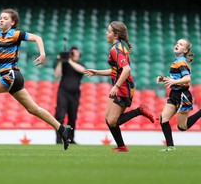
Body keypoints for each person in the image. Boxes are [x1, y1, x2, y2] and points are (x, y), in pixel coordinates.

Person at [0, 8, 72, 150]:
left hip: (11, 75)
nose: (1, 20)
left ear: (12, 22)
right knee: (33, 109)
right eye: (0, 18)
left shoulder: (16, 34)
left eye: (5, 18)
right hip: (14, 77)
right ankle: (62, 128)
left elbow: (37, 38)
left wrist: (42, 54)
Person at [84, 21, 155, 152]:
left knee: (112, 121)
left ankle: (139, 110)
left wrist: (116, 86)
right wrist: (97, 72)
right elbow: (117, 70)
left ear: (116, 35)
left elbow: (127, 69)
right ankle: (121, 146)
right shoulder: (119, 47)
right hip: (121, 87)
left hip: (123, 88)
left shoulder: (116, 49)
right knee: (107, 117)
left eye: (109, 31)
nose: (106, 33)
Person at [156, 38, 201, 152]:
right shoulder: (177, 61)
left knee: (182, 127)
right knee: (163, 119)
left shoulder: (181, 62)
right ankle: (170, 146)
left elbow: (187, 78)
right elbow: (177, 79)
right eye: (177, 43)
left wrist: (172, 82)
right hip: (174, 94)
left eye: (181, 44)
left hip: (182, 95)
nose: (177, 45)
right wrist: (164, 79)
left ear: (185, 50)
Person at [54, 45, 85, 144]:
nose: (74, 54)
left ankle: (71, 138)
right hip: (63, 92)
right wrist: (60, 61)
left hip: (75, 94)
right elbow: (57, 75)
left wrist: (69, 60)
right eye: (72, 53)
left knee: (73, 117)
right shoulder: (65, 64)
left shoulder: (80, 64)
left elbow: (83, 70)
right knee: (60, 116)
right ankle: (59, 139)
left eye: (76, 52)